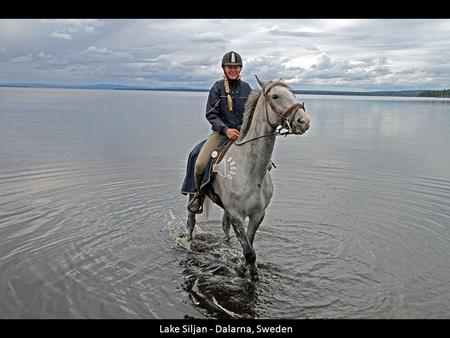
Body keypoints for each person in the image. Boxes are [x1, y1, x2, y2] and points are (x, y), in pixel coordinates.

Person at [187, 51, 252, 214]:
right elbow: (211, 114)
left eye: (236, 67)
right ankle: (198, 196)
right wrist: (226, 129)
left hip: (242, 134)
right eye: (229, 67)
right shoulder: (217, 87)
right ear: (224, 68)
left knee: (267, 165)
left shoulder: (247, 89)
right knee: (200, 162)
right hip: (221, 133)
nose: (233, 70)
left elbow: (252, 114)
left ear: (240, 69)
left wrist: (244, 129)